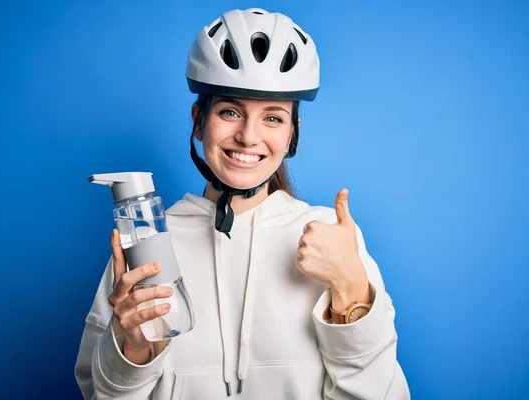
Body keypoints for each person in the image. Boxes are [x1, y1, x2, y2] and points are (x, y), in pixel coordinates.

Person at [75, 8, 410, 399]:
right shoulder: (147, 242)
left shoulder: (329, 239)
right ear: (199, 120)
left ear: (292, 134)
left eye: (272, 118)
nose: (248, 137)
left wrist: (352, 288)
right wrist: (129, 351)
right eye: (230, 111)